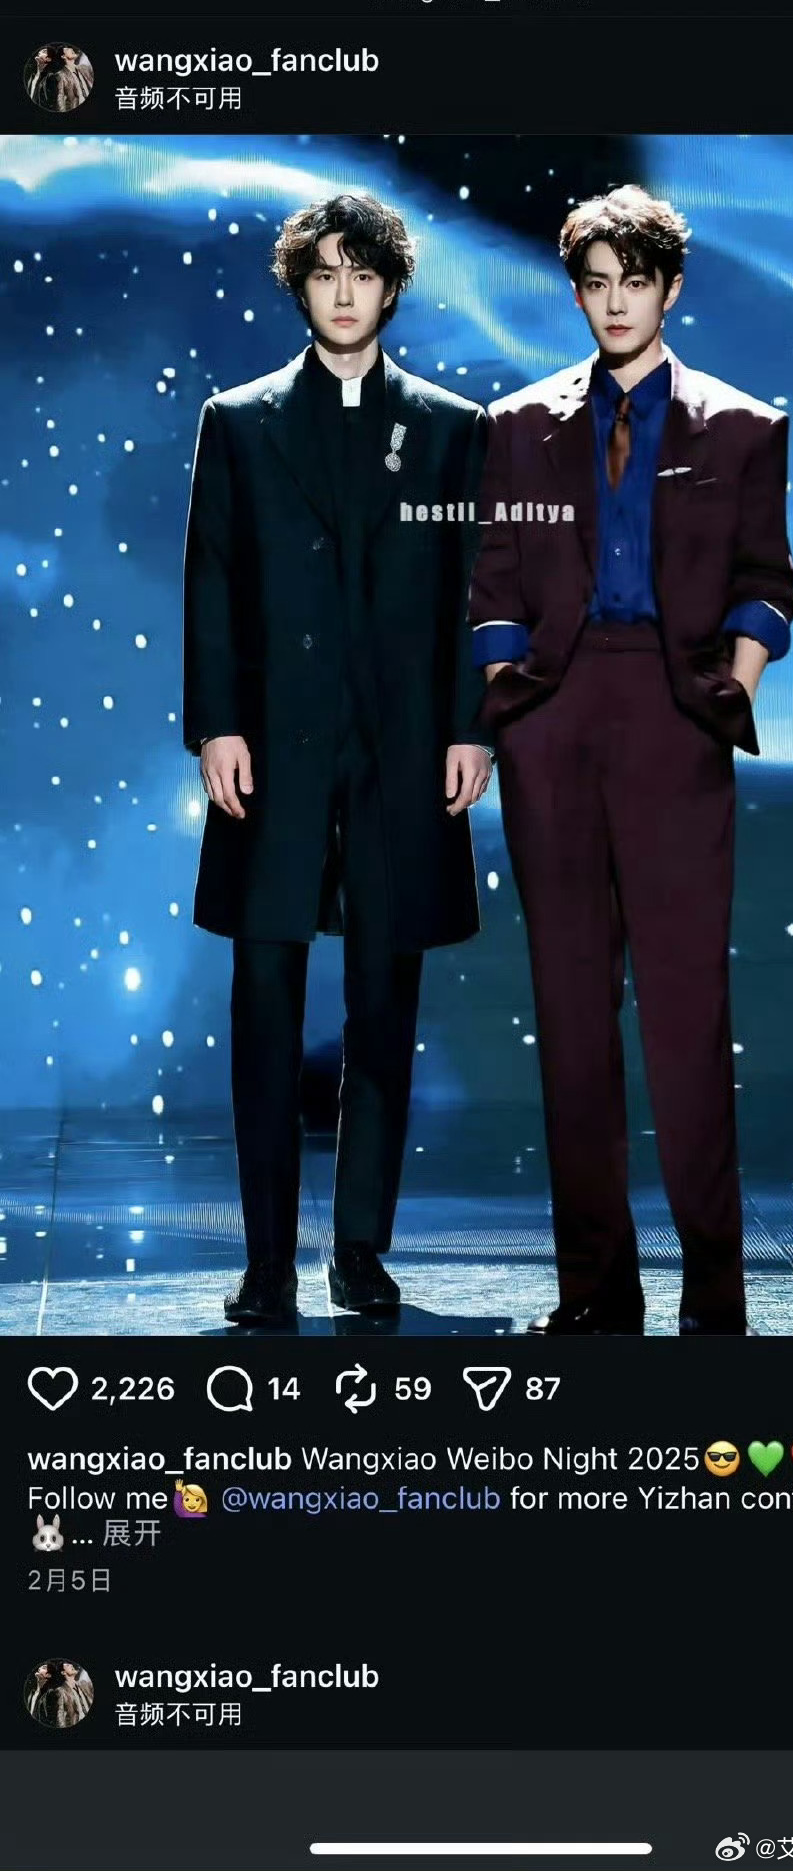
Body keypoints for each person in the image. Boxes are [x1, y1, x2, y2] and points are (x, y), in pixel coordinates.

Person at [469, 185, 793, 1335]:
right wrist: (511, 709)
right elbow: (493, 583)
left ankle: (716, 1297)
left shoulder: (743, 426)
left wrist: (730, 691)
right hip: (553, 724)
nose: (615, 304)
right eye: (596, 285)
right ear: (576, 294)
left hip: (675, 716)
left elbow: (767, 581)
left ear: (671, 289)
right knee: (569, 1017)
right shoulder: (516, 424)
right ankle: (596, 1295)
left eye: (635, 283)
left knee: (686, 1014)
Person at [183, 192, 490, 1326]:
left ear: (392, 286)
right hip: (272, 753)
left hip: (402, 754)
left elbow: (472, 589)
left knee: (383, 1008)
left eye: (364, 273)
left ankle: (358, 1250)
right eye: (325, 274)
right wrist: (216, 724)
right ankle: (266, 1260)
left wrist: (472, 725)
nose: (345, 292)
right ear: (300, 287)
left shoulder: (453, 427)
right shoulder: (240, 419)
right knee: (264, 1005)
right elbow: (212, 574)